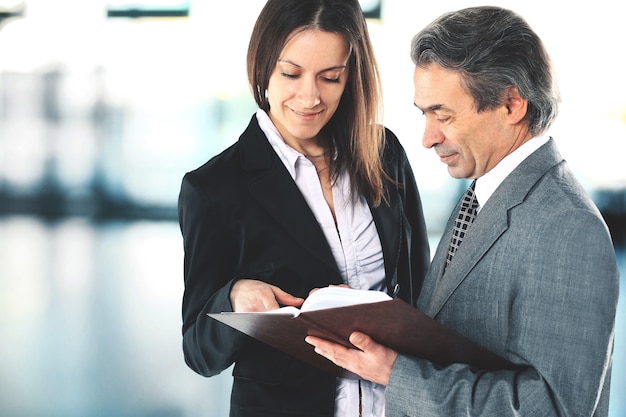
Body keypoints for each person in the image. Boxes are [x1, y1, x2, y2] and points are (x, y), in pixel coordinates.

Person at [306, 6, 620, 417]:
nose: (428, 137)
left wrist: (396, 374)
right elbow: (455, 332)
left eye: (444, 115)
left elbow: (554, 409)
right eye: (425, 114)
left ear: (511, 105)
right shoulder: (483, 193)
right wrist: (372, 315)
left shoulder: (568, 229)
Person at [177, 0, 430, 416]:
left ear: (351, 76)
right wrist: (236, 296)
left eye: (330, 78)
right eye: (290, 74)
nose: (309, 97)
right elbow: (198, 352)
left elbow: (421, 291)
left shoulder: (385, 153)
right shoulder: (214, 188)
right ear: (263, 67)